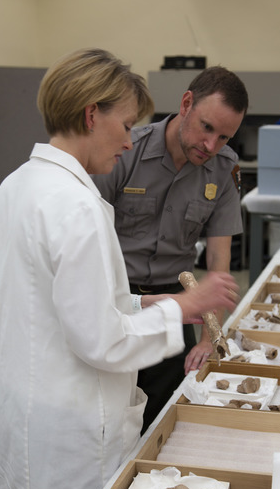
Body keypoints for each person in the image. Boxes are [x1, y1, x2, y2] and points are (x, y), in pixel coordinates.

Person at [0, 48, 239, 489]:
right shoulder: (79, 206)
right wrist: (186, 308)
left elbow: (65, 301)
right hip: (67, 429)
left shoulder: (17, 186)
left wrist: (152, 301)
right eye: (125, 125)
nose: (130, 142)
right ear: (92, 114)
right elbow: (104, 342)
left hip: (21, 412)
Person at [93, 66, 249, 433]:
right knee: (107, 422)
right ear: (186, 104)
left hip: (176, 310)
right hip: (118, 304)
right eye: (206, 127)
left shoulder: (223, 170)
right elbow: (89, 236)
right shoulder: (125, 151)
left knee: (164, 423)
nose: (211, 146)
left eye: (224, 137)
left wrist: (212, 335)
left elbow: (218, 261)